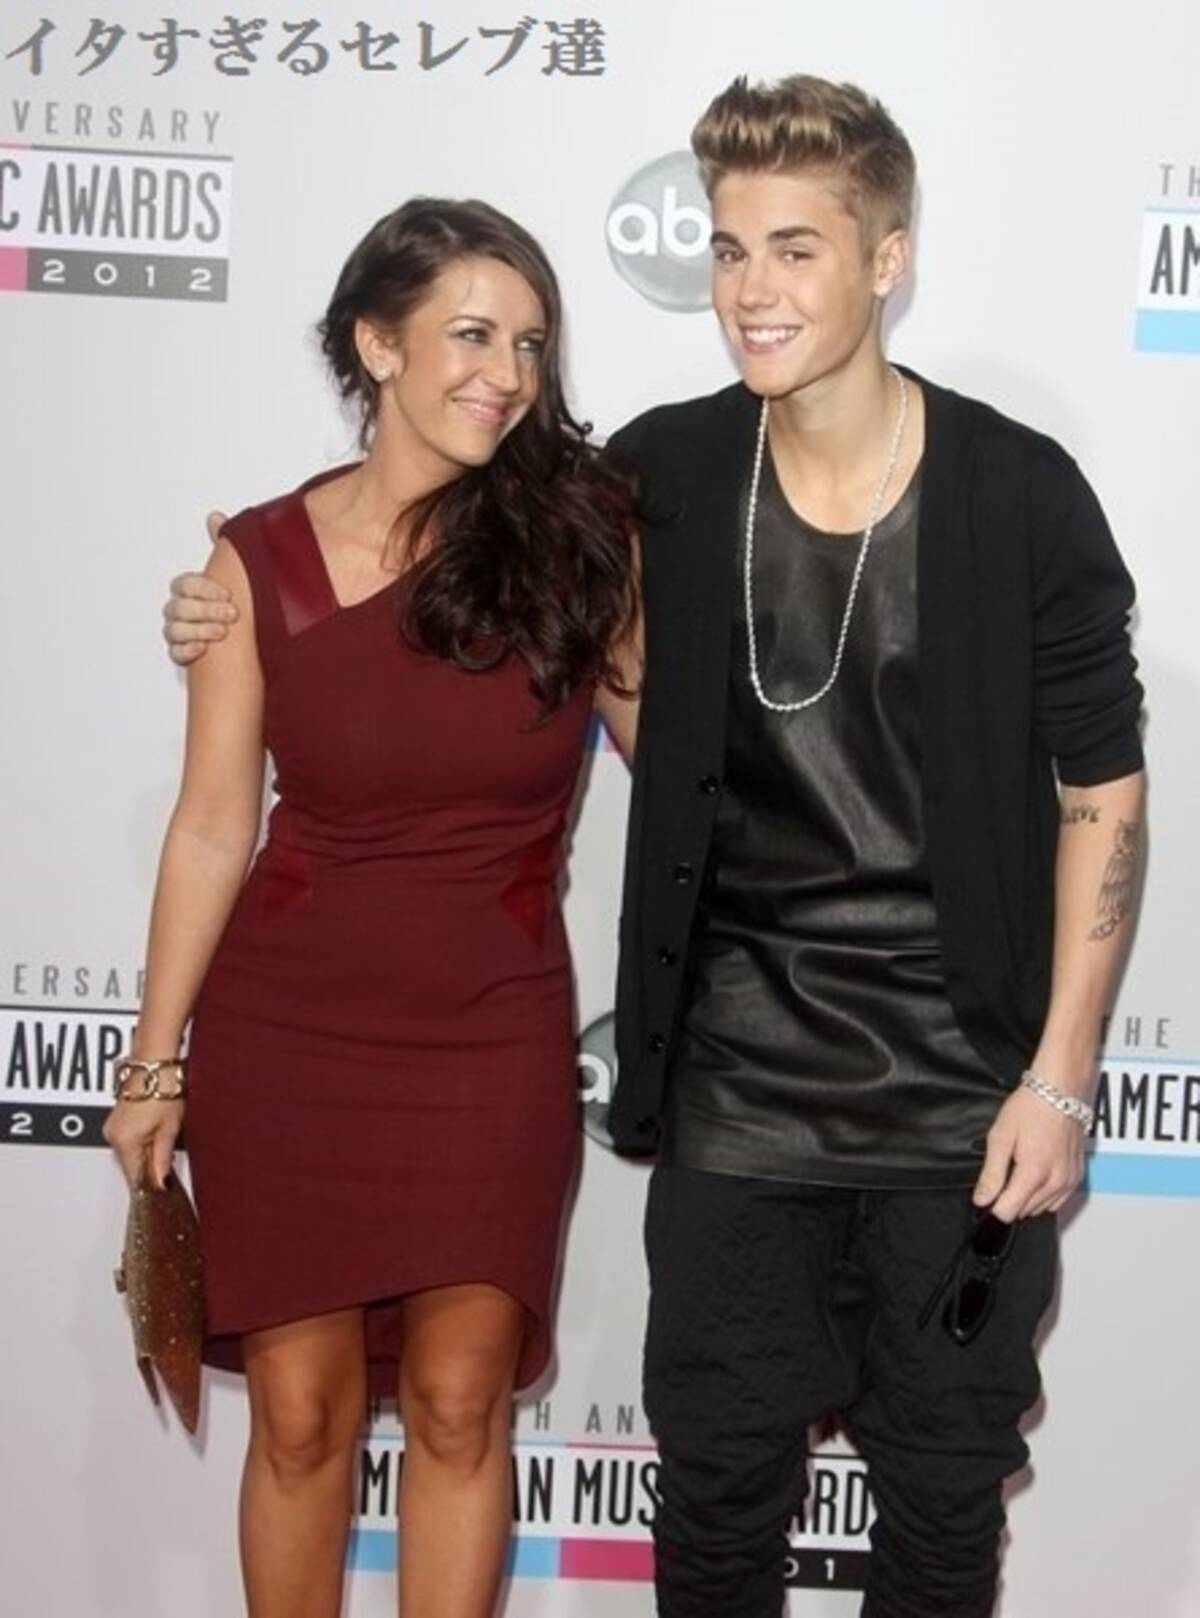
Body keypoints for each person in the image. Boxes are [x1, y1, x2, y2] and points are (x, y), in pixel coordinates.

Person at [166, 76, 1147, 1618]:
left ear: (888, 259)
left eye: (796, 250)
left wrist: (1063, 1074)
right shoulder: (657, 483)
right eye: (730, 250)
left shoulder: (1019, 495)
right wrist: (230, 591)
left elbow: (1104, 794)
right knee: (715, 1508)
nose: (752, 289)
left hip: (964, 1098)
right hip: (736, 1092)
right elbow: (433, 548)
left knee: (945, 1507)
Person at [106, 196, 637, 1618]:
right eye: (471, 335)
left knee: (463, 1403)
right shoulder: (256, 563)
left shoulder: (579, 548)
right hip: (288, 1037)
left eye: (529, 344)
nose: (505, 374)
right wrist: (154, 1059)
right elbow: (213, 825)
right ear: (377, 344)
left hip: (492, 1036)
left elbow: (686, 760)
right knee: (300, 1418)